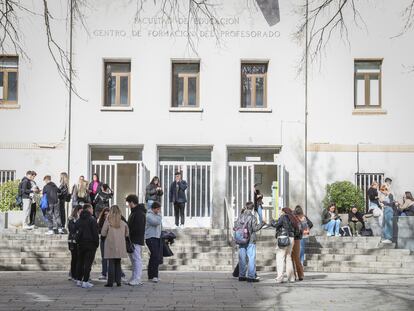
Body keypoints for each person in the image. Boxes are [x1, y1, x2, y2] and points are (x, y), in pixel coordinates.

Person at [235, 201, 265, 283]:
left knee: (242, 258)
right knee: (251, 258)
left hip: (241, 239)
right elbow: (255, 228)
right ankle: (251, 276)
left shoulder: (240, 216)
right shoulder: (253, 217)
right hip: (251, 240)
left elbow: (235, 226)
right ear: (252, 209)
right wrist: (262, 224)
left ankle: (241, 275)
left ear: (246, 207)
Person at [101, 205, 129, 287]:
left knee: (111, 263)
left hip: (110, 244)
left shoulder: (108, 221)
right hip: (120, 245)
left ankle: (110, 282)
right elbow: (127, 234)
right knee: (118, 262)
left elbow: (103, 233)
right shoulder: (122, 222)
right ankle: (118, 281)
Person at [75, 203, 99, 288]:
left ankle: (78, 280)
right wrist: (97, 243)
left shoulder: (79, 220)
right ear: (89, 209)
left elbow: (75, 231)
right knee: (88, 263)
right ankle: (85, 281)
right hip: (90, 244)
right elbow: (95, 233)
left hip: (80, 244)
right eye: (92, 209)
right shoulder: (92, 220)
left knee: (80, 262)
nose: (93, 210)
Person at [271, 207, 297, 283]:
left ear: (283, 211)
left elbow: (276, 224)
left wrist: (271, 220)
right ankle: (291, 277)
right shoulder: (293, 218)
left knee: (280, 257)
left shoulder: (283, 217)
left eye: (281, 211)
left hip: (283, 237)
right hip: (291, 238)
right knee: (288, 257)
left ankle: (280, 277)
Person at [126, 195, 147, 286]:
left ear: (132, 202)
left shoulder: (138, 213)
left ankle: (137, 278)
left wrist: (129, 233)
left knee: (136, 259)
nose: (128, 205)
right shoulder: (135, 212)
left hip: (135, 239)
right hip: (133, 239)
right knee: (133, 259)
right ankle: (134, 277)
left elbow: (138, 227)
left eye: (128, 203)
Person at [145, 201, 162, 283]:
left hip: (156, 237)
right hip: (150, 237)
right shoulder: (148, 215)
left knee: (154, 257)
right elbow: (157, 222)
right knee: (155, 256)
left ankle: (151, 276)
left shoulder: (156, 215)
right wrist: (159, 216)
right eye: (158, 209)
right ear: (154, 208)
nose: (159, 211)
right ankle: (154, 275)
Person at [68, 205, 82, 281]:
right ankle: (73, 274)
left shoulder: (81, 219)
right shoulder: (72, 219)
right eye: (80, 210)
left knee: (78, 258)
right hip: (72, 241)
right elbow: (72, 229)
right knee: (74, 258)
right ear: (77, 210)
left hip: (80, 240)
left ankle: (77, 274)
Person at [97, 207, 110, 280]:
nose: (106, 216)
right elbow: (99, 230)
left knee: (112, 258)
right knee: (104, 257)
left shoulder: (112, 220)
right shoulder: (101, 221)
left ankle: (119, 274)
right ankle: (104, 273)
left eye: (107, 214)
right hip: (103, 240)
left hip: (110, 240)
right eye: (105, 214)